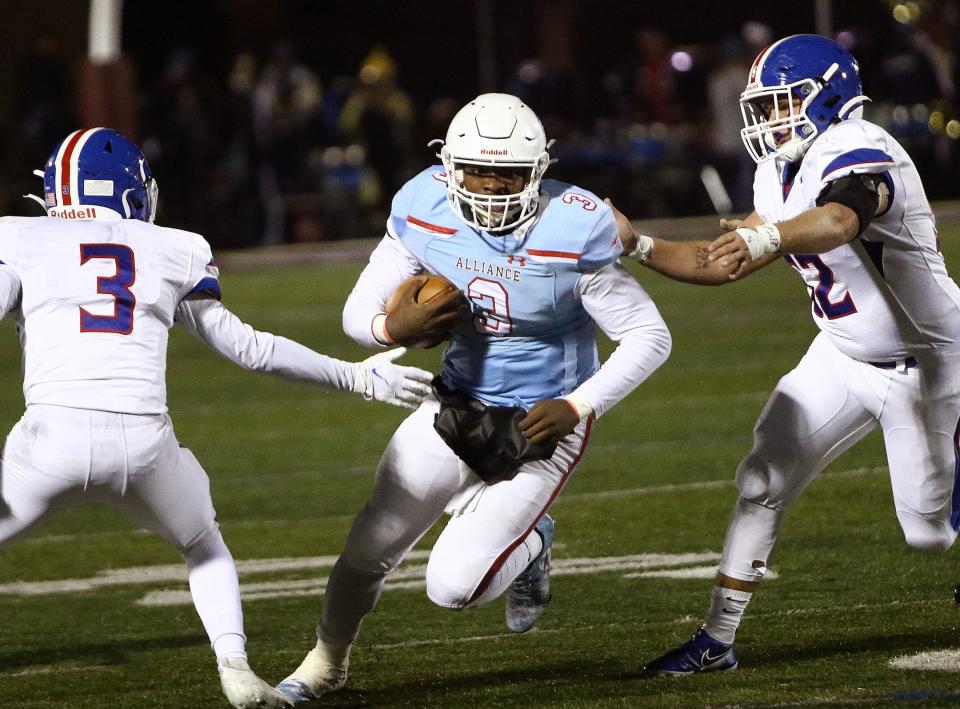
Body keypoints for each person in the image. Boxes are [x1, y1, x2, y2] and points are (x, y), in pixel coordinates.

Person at [7, 127, 433, 707]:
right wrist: (357, 375)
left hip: (47, 443)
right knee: (204, 545)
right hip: (145, 446)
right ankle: (234, 665)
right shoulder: (175, 247)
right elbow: (249, 348)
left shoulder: (21, 238)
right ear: (134, 192)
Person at [276, 93, 672, 703]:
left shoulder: (575, 223)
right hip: (453, 402)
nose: (489, 187)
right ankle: (324, 663)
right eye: (476, 170)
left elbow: (649, 335)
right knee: (366, 550)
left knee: (453, 587)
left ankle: (534, 542)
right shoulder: (423, 204)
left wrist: (579, 405)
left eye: (507, 173)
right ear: (448, 166)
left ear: (538, 170)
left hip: (543, 422)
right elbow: (358, 312)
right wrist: (389, 331)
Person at [614, 34, 960, 675]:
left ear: (827, 95)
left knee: (929, 533)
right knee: (760, 479)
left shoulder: (862, 147)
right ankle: (716, 641)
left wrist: (768, 236)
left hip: (929, 362)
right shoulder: (779, 169)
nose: (770, 119)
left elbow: (839, 220)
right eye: (765, 106)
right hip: (841, 354)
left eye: (783, 103)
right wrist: (636, 245)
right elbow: (719, 263)